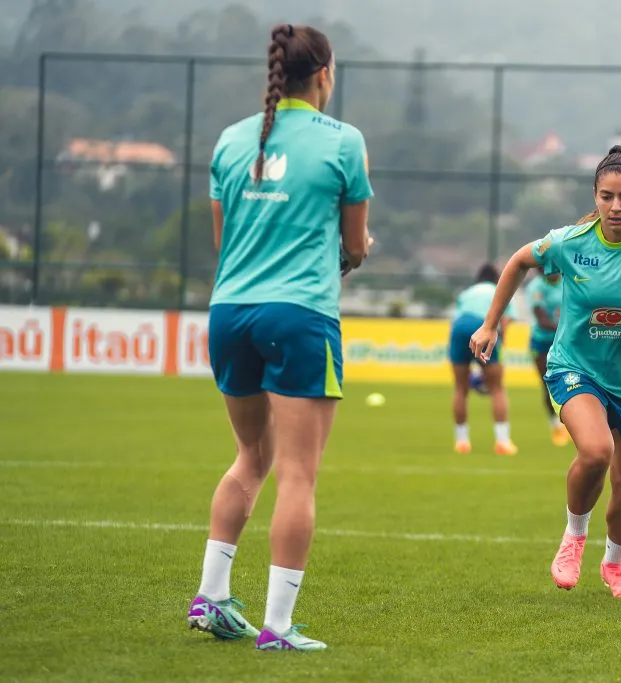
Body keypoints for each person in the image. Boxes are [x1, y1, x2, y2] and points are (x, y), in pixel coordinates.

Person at [186, 23, 373, 652]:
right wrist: (358, 251)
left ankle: (210, 596)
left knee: (251, 459)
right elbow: (353, 245)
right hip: (300, 316)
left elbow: (224, 241)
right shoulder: (344, 142)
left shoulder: (231, 139)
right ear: (323, 74)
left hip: (230, 312)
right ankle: (279, 627)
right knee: (298, 474)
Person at [469, 144, 621, 599]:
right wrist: (490, 323)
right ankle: (574, 536)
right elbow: (518, 261)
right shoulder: (569, 243)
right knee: (597, 451)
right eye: (606, 196)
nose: (615, 206)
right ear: (595, 197)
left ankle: (615, 566)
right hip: (574, 367)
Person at [448, 263, 519, 455]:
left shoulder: (467, 293)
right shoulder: (500, 290)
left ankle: (462, 442)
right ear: (497, 277)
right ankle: (502, 442)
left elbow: (457, 318)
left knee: (461, 388)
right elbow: (504, 322)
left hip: (459, 329)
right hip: (483, 325)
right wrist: (497, 349)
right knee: (496, 388)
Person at [525, 271, 571, 446]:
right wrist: (569, 329)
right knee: (548, 385)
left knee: (573, 382)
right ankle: (557, 427)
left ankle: (574, 425)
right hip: (542, 342)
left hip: (565, 342)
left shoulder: (568, 281)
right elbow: (542, 320)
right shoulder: (536, 287)